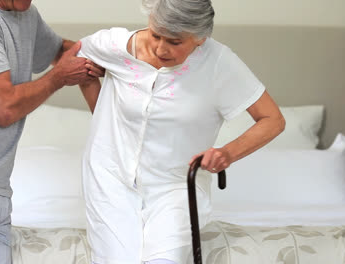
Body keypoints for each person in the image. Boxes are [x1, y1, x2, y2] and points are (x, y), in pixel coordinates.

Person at [78, 0, 286, 263]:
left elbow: (272, 119)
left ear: (200, 38)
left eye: (175, 42)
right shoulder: (117, 45)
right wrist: (91, 89)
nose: (161, 48)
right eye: (156, 35)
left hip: (175, 186)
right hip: (111, 178)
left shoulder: (220, 63)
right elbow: (74, 59)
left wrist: (227, 153)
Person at [0, 0, 104, 263]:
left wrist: (115, 58)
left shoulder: (25, 14)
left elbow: (62, 51)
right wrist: (58, 77)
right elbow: (3, 109)